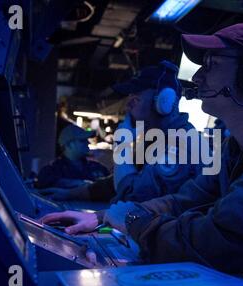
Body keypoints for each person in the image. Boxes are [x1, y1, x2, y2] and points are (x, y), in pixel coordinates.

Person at [41, 21, 243, 286]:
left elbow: (221, 241)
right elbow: (184, 201)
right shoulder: (235, 148)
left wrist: (134, 221)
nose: (198, 75)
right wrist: (106, 218)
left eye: (211, 62)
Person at [42, 61, 202, 203]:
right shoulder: (155, 139)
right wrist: (70, 194)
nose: (127, 106)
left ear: (163, 102)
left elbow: (131, 194)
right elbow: (115, 184)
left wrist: (122, 143)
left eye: (135, 100)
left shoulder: (182, 145)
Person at [36, 124, 110, 189]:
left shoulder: (98, 167)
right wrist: (79, 183)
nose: (87, 142)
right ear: (68, 145)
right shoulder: (53, 170)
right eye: (82, 140)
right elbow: (43, 182)